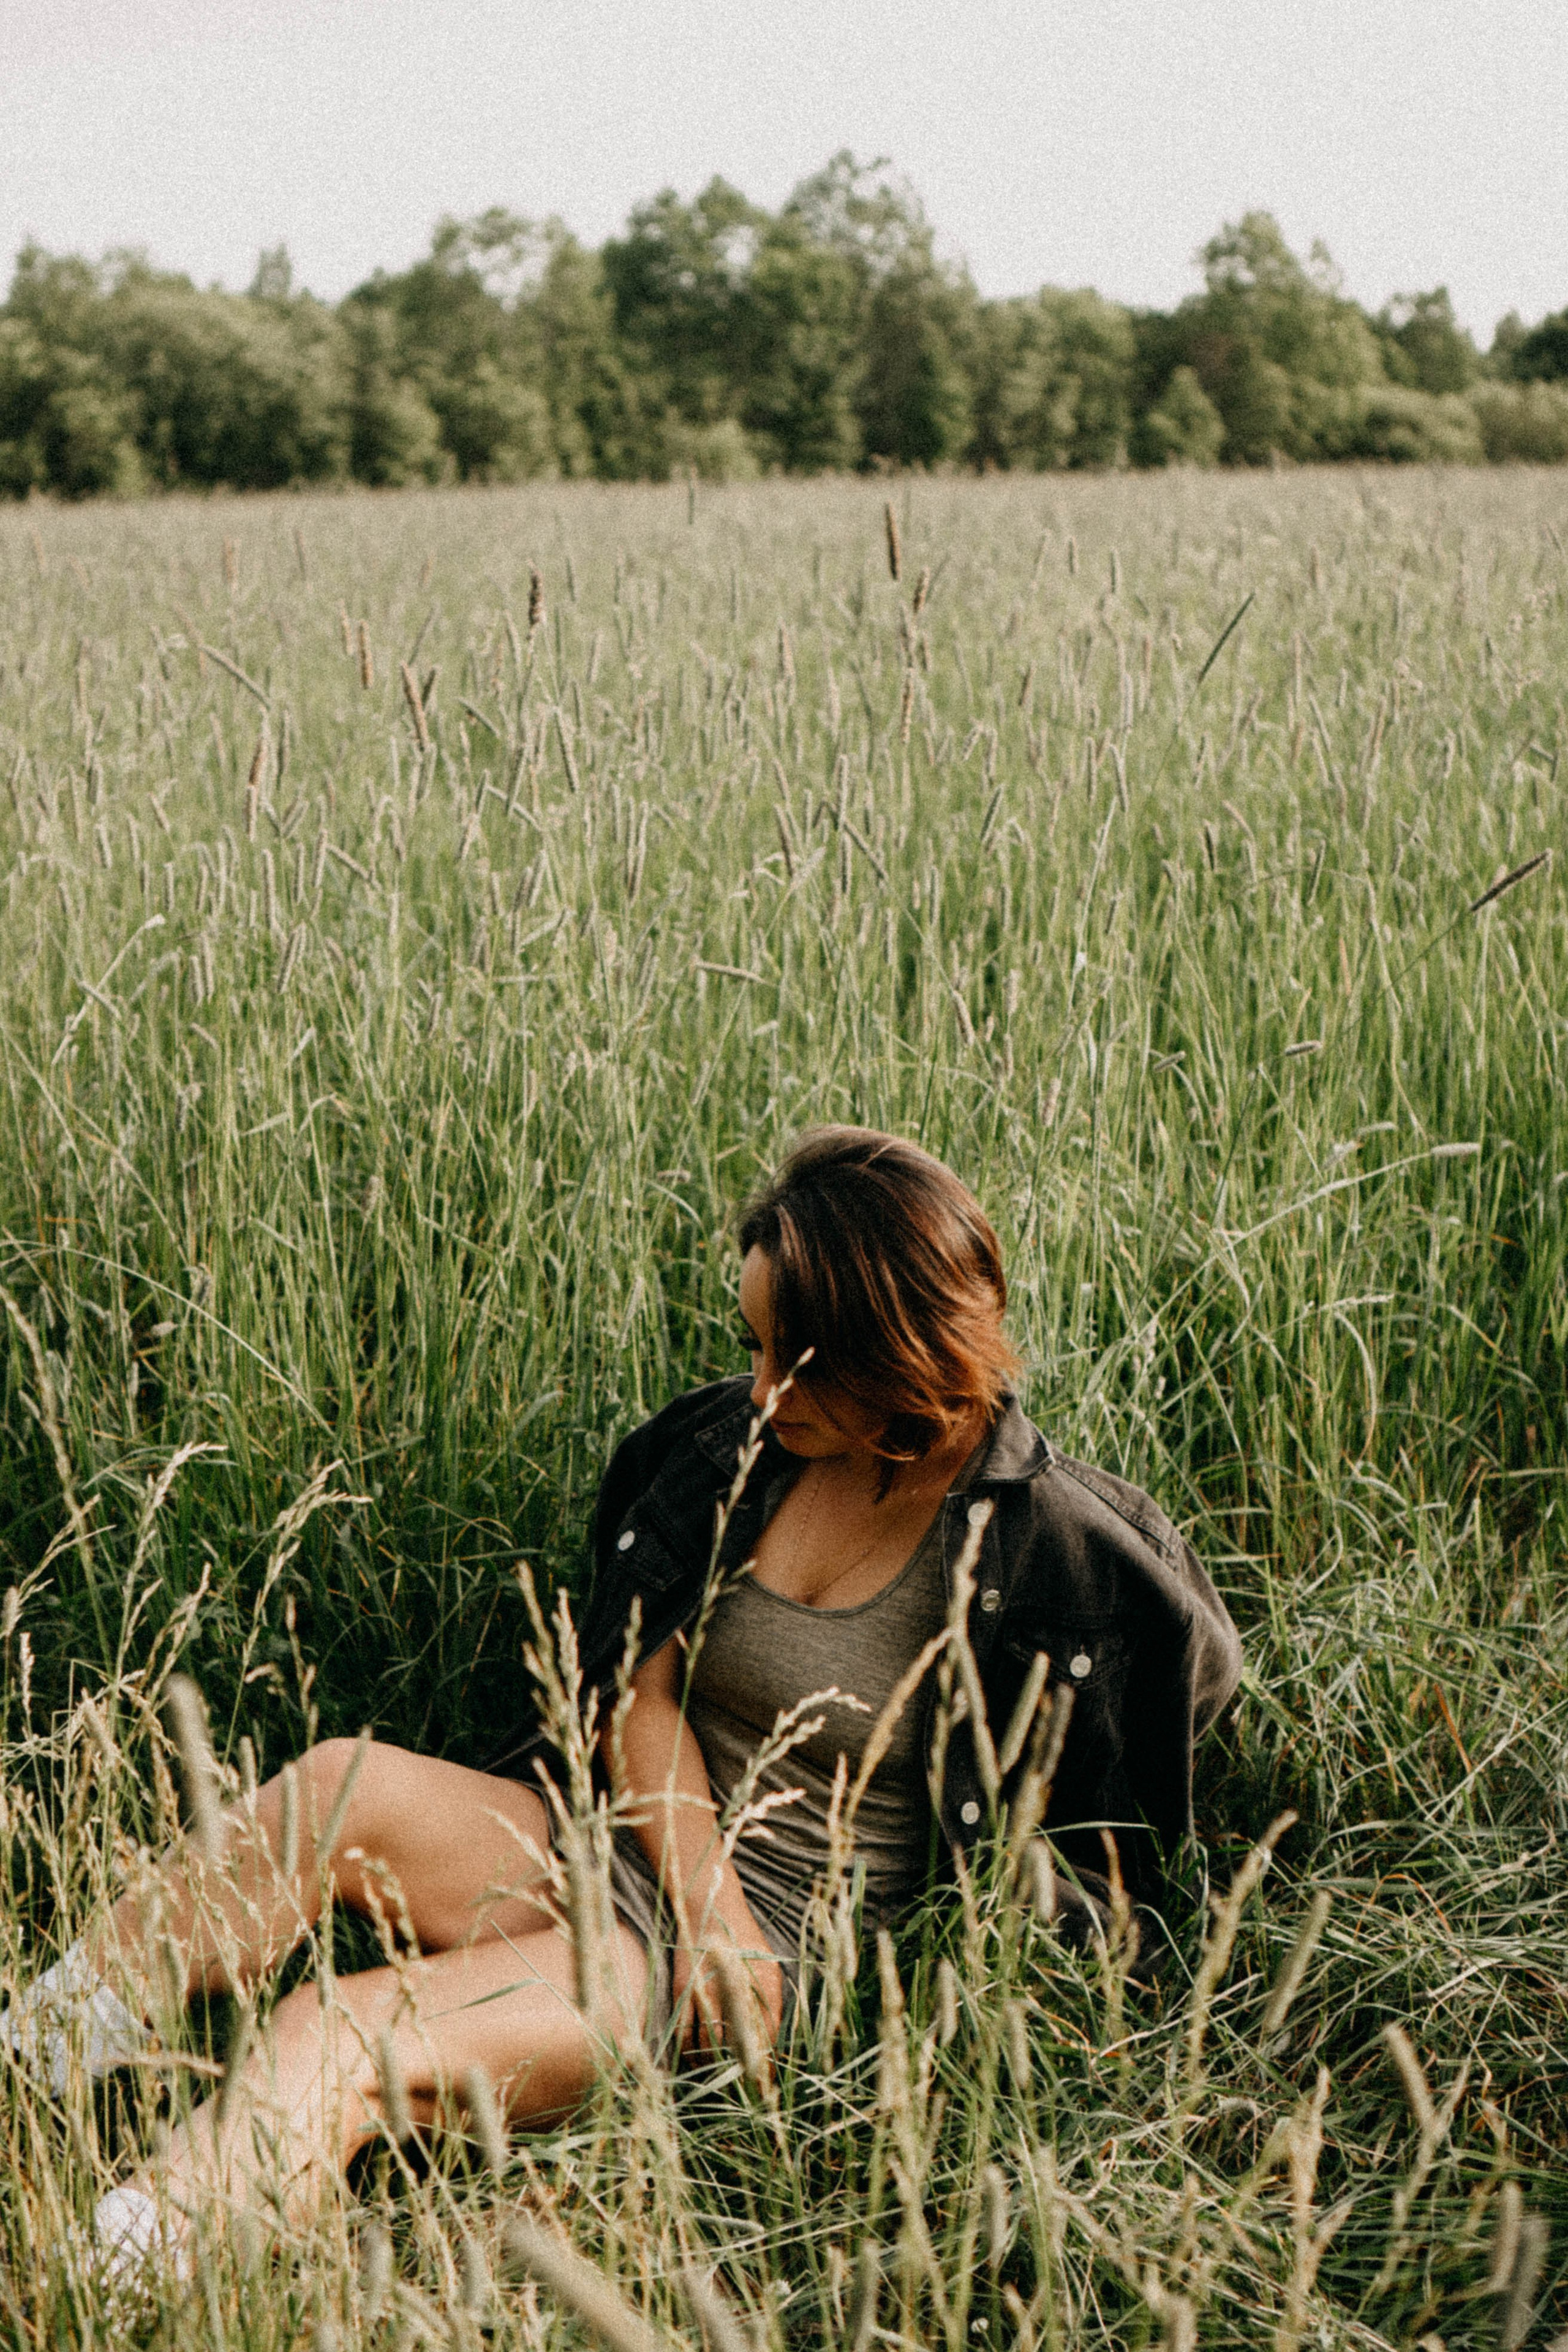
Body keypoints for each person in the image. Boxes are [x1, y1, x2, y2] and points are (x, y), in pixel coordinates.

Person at [1, 1126, 1242, 2274]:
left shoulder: (1060, 1550)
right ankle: (33, 2060)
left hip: (767, 1958)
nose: (759, 1387)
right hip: (629, 1846)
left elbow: (1172, 1731)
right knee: (334, 1783)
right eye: (751, 1342)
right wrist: (696, 1888)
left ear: (896, 1350)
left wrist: (776, 1942)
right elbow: (635, 1692)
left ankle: (112, 2285)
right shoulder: (728, 1449)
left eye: (794, 1360)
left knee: (342, 2034)